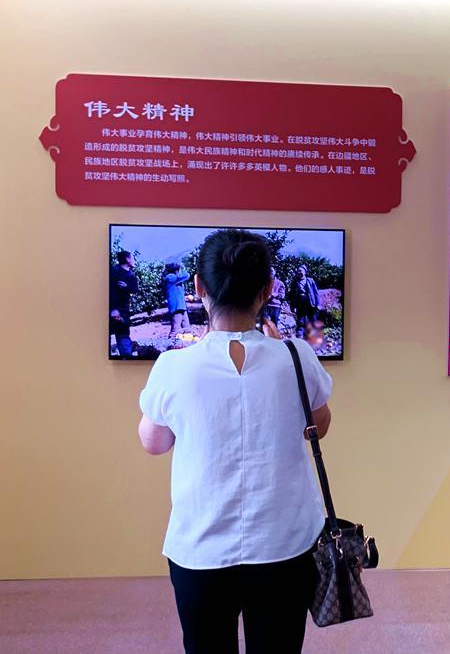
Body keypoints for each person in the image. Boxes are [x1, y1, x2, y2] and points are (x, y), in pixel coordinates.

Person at [137, 229, 333, 653]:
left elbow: (154, 442)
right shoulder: (297, 356)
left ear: (199, 287)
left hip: (201, 546)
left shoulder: (173, 366)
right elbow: (320, 425)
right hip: (285, 542)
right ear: (267, 289)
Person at [110, 250, 138, 358]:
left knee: (123, 332)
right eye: (132, 258)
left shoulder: (131, 275)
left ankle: (126, 356)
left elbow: (135, 289)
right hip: (114, 309)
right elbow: (109, 291)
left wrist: (126, 287)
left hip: (124, 310)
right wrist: (113, 309)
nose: (134, 260)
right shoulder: (114, 271)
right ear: (127, 259)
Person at [162, 263, 191, 341]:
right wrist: (183, 267)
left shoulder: (175, 279)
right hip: (176, 306)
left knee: (187, 327)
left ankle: (187, 342)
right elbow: (186, 275)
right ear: (176, 270)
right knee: (175, 329)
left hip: (181, 305)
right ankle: (170, 343)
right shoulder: (170, 277)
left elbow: (176, 292)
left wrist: (185, 297)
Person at [288, 264, 322, 331]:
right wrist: (293, 307)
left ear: (305, 272)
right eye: (298, 271)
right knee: (300, 322)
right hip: (300, 305)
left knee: (313, 320)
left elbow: (316, 293)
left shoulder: (310, 280)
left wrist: (318, 304)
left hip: (311, 304)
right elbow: (292, 296)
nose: (299, 272)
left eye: (300, 271)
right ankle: (300, 335)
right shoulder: (295, 282)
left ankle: (314, 335)